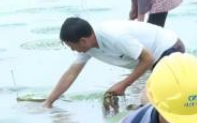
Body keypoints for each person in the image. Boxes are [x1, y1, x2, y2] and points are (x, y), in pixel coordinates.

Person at [43, 17, 185, 108]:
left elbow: (147, 59)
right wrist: (48, 102)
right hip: (155, 60)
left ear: (83, 41)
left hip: (169, 49)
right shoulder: (87, 47)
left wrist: (122, 85)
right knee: (151, 98)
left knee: (147, 98)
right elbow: (71, 74)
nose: (73, 50)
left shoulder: (114, 36)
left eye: (72, 46)